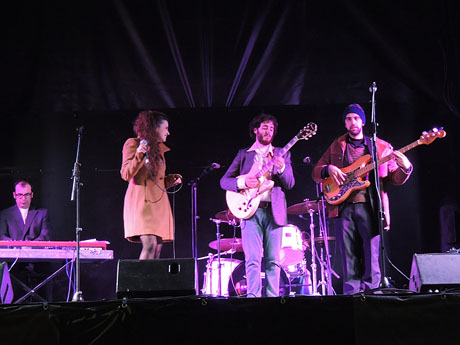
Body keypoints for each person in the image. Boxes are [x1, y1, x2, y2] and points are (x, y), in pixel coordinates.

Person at [312, 104, 413, 294]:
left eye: (356, 118)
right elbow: (316, 172)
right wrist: (329, 169)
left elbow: (395, 178)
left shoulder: (381, 147)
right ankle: (352, 295)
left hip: (370, 206)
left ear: (363, 121)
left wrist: (405, 167)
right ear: (345, 122)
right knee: (348, 256)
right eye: (349, 119)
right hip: (343, 207)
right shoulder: (336, 145)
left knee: (372, 254)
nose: (353, 122)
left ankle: (373, 293)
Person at [220, 113, 295, 297]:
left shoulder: (281, 153)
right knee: (252, 259)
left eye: (271, 128)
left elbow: (290, 183)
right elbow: (224, 181)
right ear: (255, 130)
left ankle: (272, 301)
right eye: (264, 127)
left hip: (274, 211)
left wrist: (282, 168)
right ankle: (252, 300)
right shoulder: (244, 154)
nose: (268, 131)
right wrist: (244, 183)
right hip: (250, 212)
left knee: (273, 261)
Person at [121, 110, 182, 260]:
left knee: (157, 250)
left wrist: (169, 180)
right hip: (142, 203)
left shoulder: (159, 150)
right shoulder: (133, 144)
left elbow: (156, 180)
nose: (168, 132)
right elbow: (126, 174)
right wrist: (139, 154)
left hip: (159, 204)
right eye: (166, 128)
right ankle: (141, 283)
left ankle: (153, 283)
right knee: (150, 245)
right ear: (155, 127)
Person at [0, 180, 52, 302]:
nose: (23, 198)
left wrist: (29, 246)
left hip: (37, 264)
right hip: (14, 266)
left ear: (32, 195)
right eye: (20, 195)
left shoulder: (42, 213)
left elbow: (46, 236)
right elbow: (2, 236)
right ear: (14, 195)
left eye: (26, 195)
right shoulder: (5, 214)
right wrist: (17, 245)